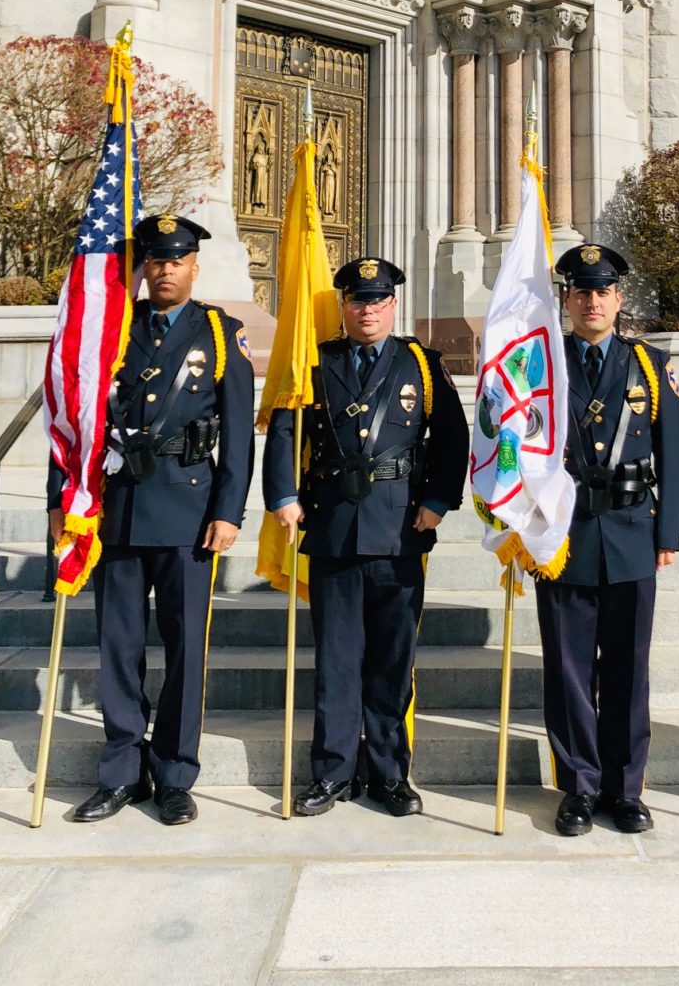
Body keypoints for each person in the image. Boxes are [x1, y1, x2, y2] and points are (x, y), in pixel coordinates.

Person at [48, 213, 256, 826]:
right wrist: (64, 503)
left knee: (185, 649)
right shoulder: (110, 331)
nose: (165, 270)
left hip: (189, 510)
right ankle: (119, 772)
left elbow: (238, 435)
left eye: (176, 260)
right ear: (143, 267)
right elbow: (75, 424)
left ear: (195, 267)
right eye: (156, 260)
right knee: (118, 647)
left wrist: (228, 511)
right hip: (115, 509)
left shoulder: (220, 334)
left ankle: (173, 775)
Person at [264, 256, 469, 817]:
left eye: (378, 301)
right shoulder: (318, 361)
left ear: (393, 305)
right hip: (331, 526)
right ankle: (331, 772)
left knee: (390, 662)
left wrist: (437, 501)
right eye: (358, 300)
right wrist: (282, 494)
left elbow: (453, 435)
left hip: (400, 527)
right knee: (335, 659)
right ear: (344, 306)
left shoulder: (422, 365)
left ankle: (388, 774)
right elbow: (285, 429)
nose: (368, 310)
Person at [536, 243, 679, 837]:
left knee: (627, 671)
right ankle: (578, 787)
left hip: (629, 533)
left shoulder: (649, 364)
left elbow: (672, 455)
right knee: (569, 672)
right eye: (581, 291)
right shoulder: (542, 366)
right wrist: (524, 531)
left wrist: (667, 532)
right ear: (566, 300)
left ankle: (625, 789)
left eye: (602, 291)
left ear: (619, 299)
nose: (592, 301)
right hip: (565, 537)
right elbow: (519, 449)